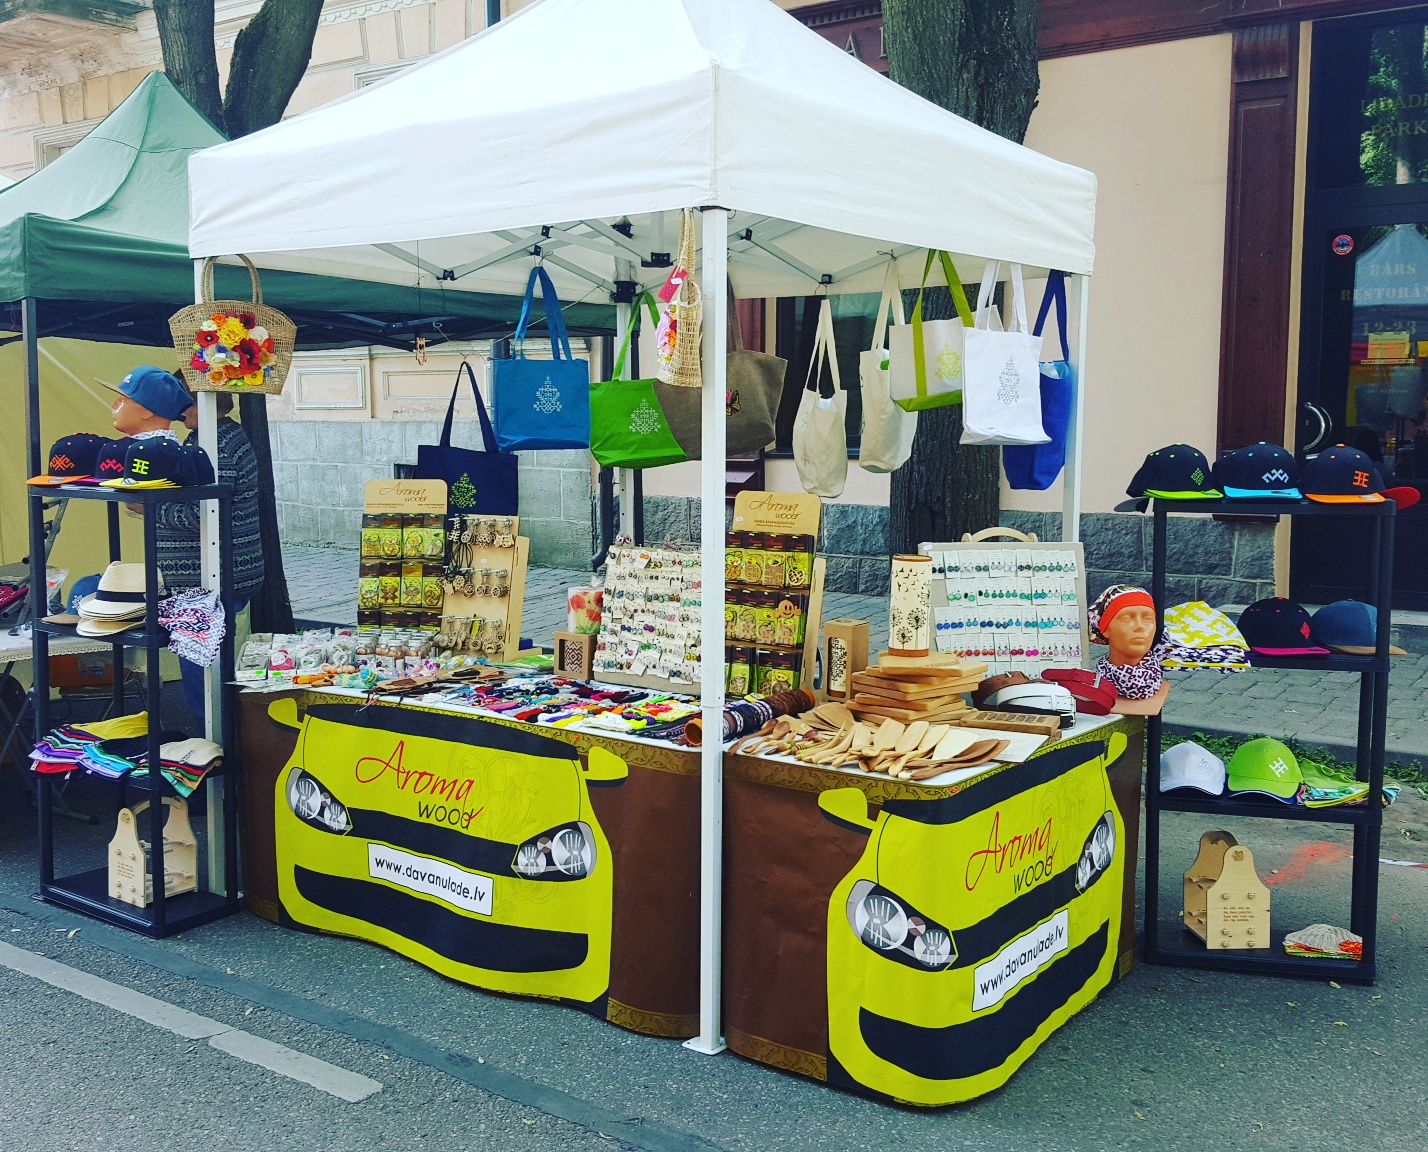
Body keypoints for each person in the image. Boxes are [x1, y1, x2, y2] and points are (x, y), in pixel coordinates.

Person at [152, 386, 265, 723]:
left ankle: (217, 743)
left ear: (199, 401)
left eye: (180, 405)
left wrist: (150, 507)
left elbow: (206, 514)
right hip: (208, 578)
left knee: (204, 676)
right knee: (205, 669)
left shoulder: (217, 444)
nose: (176, 413)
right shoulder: (211, 437)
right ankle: (219, 739)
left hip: (213, 579)